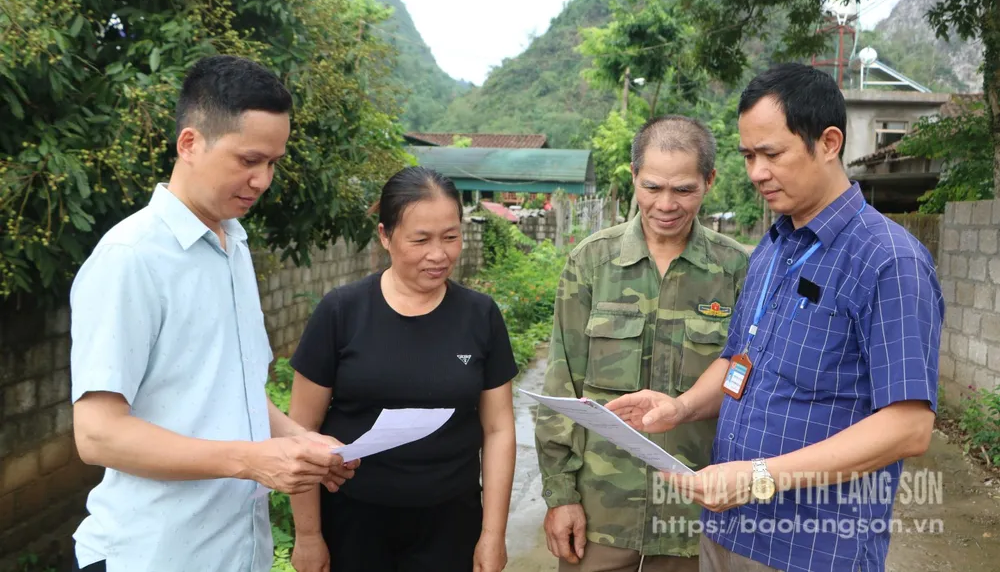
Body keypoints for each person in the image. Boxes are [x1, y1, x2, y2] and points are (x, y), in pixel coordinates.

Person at [607, 63, 943, 572]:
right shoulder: (774, 246)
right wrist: (681, 408)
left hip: (812, 548)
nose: (756, 172)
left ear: (828, 143)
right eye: (747, 155)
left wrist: (759, 475)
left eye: (772, 154)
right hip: (727, 532)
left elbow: (908, 427)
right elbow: (741, 360)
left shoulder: (888, 261)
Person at [68, 55, 357, 572]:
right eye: (248, 159)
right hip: (153, 556)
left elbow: (232, 391)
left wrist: (300, 442)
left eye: (273, 163)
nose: (262, 179)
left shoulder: (233, 247)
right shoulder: (132, 257)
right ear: (190, 144)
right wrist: (251, 460)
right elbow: (97, 434)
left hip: (235, 552)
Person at [534, 116, 750, 572]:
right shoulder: (591, 262)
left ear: (709, 181)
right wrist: (560, 496)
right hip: (600, 512)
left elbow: (747, 381)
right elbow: (560, 386)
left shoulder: (736, 270)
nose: (666, 204)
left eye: (684, 189)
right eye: (652, 187)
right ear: (633, 176)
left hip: (695, 516)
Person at [286, 166, 518, 572]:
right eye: (421, 239)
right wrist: (308, 536)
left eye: (450, 237)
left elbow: (498, 429)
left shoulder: (480, 316)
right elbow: (301, 428)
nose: (439, 254)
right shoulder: (342, 312)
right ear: (384, 236)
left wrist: (492, 534)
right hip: (354, 524)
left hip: (451, 524)